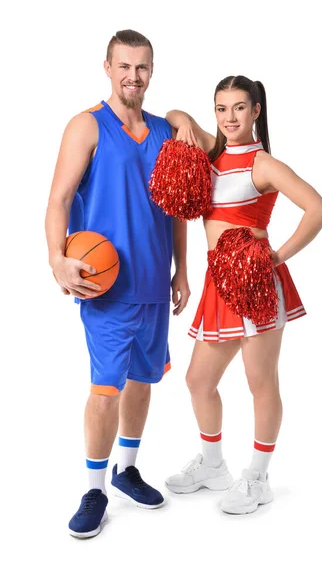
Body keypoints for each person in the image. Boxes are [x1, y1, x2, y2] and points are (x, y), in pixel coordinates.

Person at [164, 75, 322, 515]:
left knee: (261, 383)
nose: (229, 117)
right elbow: (173, 115)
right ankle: (214, 465)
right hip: (218, 284)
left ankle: (257, 478)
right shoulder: (212, 151)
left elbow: (319, 209)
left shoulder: (263, 163)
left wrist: (277, 256)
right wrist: (185, 124)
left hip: (256, 282)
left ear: (256, 111)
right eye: (221, 108)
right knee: (198, 381)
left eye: (239, 108)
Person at [45, 30, 190, 538]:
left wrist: (182, 272)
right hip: (104, 285)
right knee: (105, 388)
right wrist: (56, 258)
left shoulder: (164, 132)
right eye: (124, 66)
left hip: (154, 280)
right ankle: (95, 488)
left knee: (143, 380)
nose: (134, 76)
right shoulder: (86, 126)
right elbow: (59, 199)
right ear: (107, 67)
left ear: (152, 72)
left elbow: (177, 208)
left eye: (143, 68)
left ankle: (127, 470)